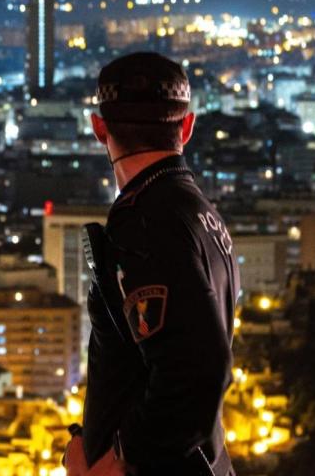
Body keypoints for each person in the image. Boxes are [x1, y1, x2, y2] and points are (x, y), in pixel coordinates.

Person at [65, 52, 239, 476]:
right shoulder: (197, 212)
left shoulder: (147, 221)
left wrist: (118, 458)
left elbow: (200, 369)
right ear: (187, 127)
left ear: (98, 129)